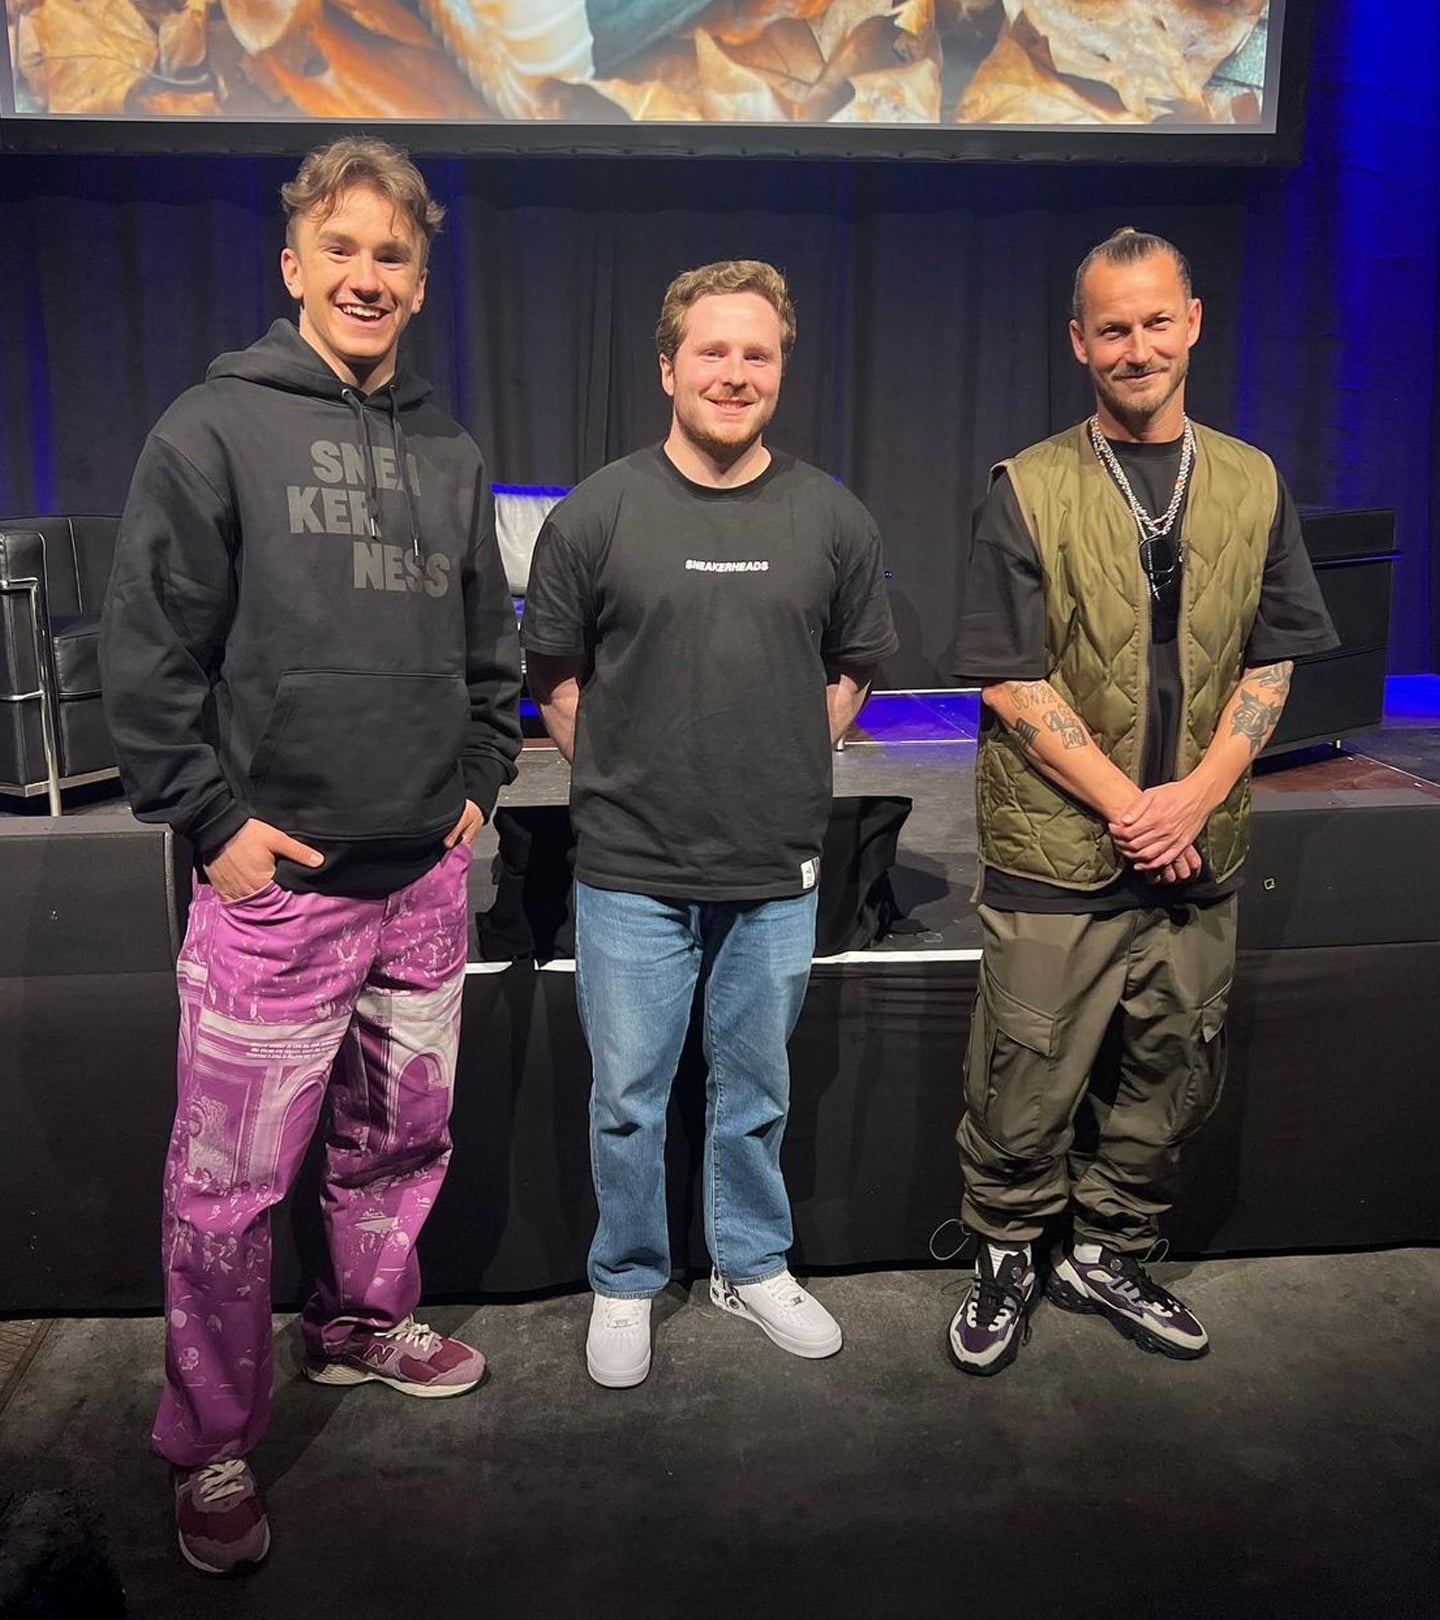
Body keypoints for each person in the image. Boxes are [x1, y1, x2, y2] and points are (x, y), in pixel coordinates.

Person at [99, 138, 522, 1572]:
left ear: (419, 278)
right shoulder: (211, 430)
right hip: (278, 897)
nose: (367, 275)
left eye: (392, 255)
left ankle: (357, 1327)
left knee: (397, 1142)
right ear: (293, 267)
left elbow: (488, 652)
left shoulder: (452, 451)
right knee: (225, 1195)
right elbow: (147, 656)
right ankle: (211, 1445)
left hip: (421, 884)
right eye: (340, 249)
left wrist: (479, 777)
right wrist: (212, 825)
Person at [947, 228, 1338, 1377]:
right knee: (1025, 1069)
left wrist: (1200, 795)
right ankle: (1010, 1250)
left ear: (1193, 323)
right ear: (1080, 342)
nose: (1137, 346)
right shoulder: (1028, 485)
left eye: (1155, 321)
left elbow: (1275, 657)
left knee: (1172, 1064)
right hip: (1060, 845)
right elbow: (1010, 677)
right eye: (1112, 327)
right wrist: (1134, 805)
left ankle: (1108, 1246)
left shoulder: (1255, 479)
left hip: (1198, 847)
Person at [522, 259, 898, 1388]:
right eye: (713, 351)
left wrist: (783, 762)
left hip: (775, 866)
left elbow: (855, 670)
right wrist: (632, 776)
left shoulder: (832, 516)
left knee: (756, 1092)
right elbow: (554, 677)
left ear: (779, 368)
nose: (734, 373)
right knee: (630, 1097)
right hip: (631, 867)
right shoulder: (599, 513)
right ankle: (627, 1279)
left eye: (757, 354)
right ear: (667, 366)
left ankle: (749, 1262)